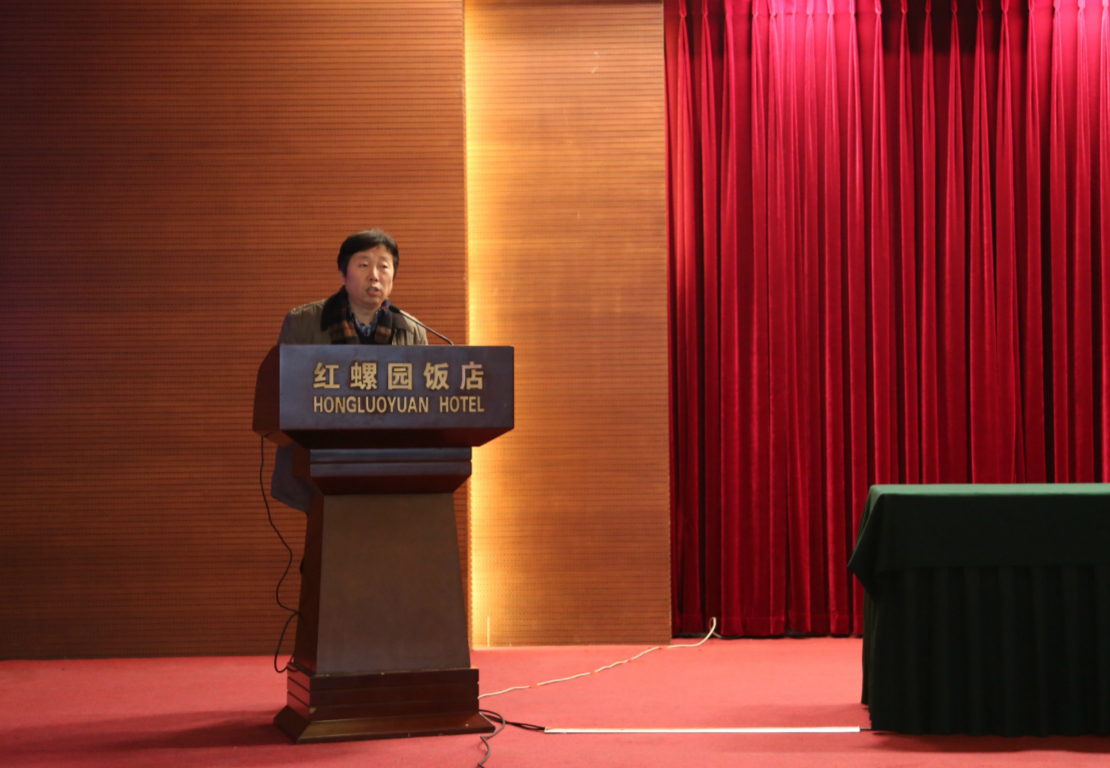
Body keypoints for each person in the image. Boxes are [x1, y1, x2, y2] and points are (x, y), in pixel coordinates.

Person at [271, 229, 428, 511]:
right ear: (343, 274)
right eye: (364, 264)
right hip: (319, 465)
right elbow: (282, 395)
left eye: (384, 266)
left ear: (393, 275)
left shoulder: (412, 330)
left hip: (389, 466)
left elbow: (425, 404)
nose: (374, 275)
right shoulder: (303, 322)